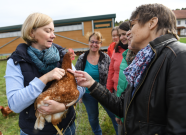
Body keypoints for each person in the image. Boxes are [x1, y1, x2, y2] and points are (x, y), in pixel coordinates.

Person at [68, 3, 186, 134]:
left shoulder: (179, 55)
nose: (129, 33)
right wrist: (92, 84)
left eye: (133, 25)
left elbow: (179, 126)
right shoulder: (143, 60)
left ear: (152, 23)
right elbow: (122, 105)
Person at [4, 13, 85, 135]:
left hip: (67, 127)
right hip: (35, 130)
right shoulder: (16, 61)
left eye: (53, 31)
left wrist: (64, 107)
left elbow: (81, 86)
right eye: (48, 31)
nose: (53, 36)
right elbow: (15, 105)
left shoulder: (61, 55)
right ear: (32, 33)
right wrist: (45, 78)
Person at [75, 31, 118, 135]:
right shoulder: (82, 58)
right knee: (93, 117)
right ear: (89, 42)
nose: (94, 44)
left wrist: (110, 90)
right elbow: (76, 76)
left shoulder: (106, 58)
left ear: (101, 44)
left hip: (103, 91)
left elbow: (111, 74)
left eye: (97, 42)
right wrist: (79, 94)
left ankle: (119, 132)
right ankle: (98, 133)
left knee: (113, 114)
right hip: (88, 93)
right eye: (92, 41)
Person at [106, 21, 129, 135]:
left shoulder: (137, 50)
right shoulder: (116, 50)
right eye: (120, 35)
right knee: (120, 123)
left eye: (124, 34)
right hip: (117, 91)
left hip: (131, 93)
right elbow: (111, 71)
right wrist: (109, 89)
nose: (122, 37)